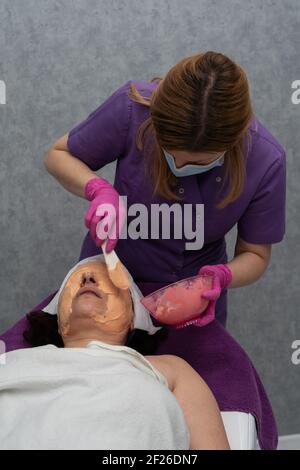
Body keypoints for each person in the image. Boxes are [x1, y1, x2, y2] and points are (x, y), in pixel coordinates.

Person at [44, 50, 286, 327]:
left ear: (232, 144)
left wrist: (221, 277)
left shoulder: (265, 159)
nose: (178, 166)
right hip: (109, 285)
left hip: (189, 303)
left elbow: (255, 254)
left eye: (198, 161)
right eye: (167, 150)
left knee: (188, 368)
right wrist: (98, 189)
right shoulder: (132, 109)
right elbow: (58, 155)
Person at [0, 259, 230, 450]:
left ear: (133, 319)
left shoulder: (168, 369)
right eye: (76, 282)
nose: (88, 279)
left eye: (111, 279)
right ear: (59, 320)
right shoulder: (14, 361)